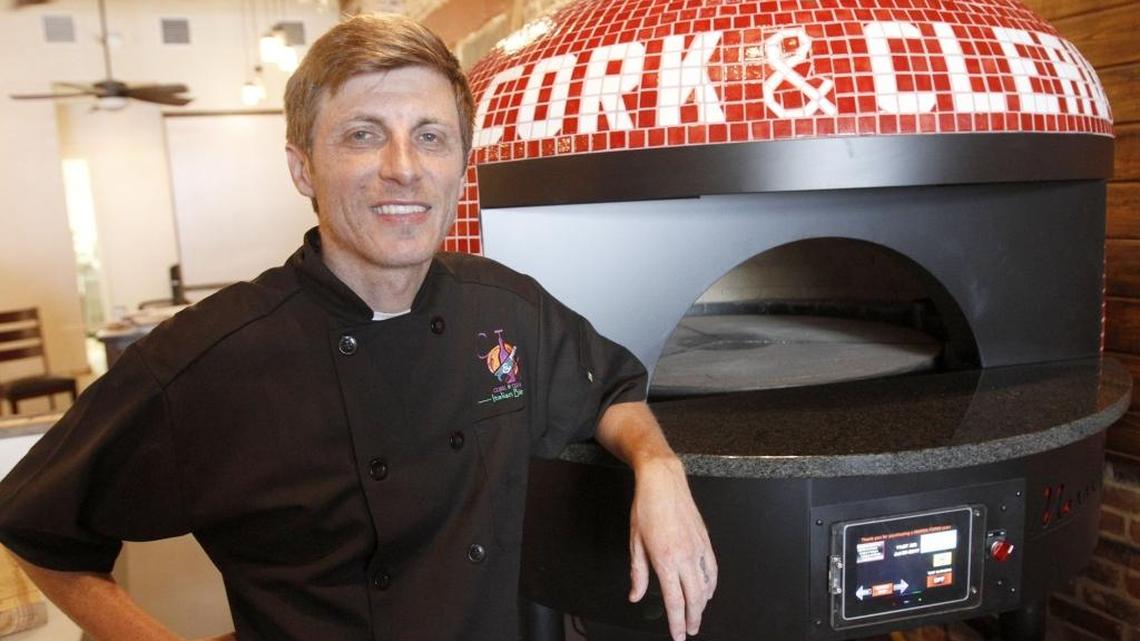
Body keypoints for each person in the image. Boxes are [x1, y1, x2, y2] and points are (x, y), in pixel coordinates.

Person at [0, 13, 715, 641]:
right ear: (302, 166)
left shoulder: (506, 308)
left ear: (460, 165)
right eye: (364, 135)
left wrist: (659, 465)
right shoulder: (211, 359)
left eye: (431, 137)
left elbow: (613, 389)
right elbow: (35, 524)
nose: (403, 169)